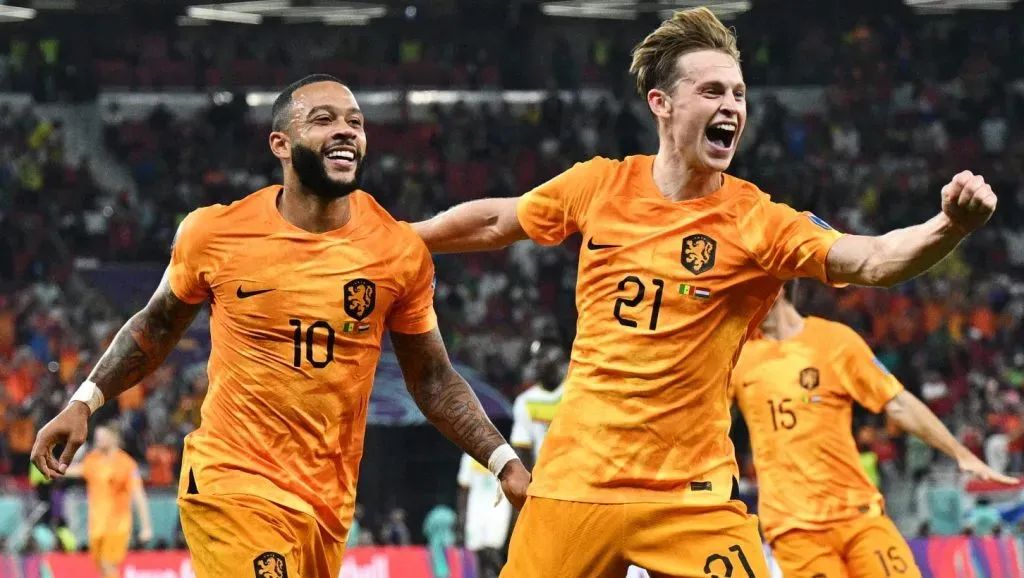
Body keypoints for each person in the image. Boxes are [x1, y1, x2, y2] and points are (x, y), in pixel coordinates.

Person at [412, 7, 999, 576]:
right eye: (714, 91)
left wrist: (949, 226)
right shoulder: (598, 185)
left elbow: (872, 259)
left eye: (739, 94)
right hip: (575, 484)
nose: (732, 107)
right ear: (661, 105)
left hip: (691, 500)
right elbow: (498, 221)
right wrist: (403, 238)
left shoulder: (756, 219)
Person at [30, 74, 530, 578]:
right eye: (323, 120)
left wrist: (503, 460)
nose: (345, 131)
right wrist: (84, 401)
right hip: (232, 479)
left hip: (326, 500)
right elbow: (155, 326)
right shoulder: (215, 233)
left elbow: (433, 380)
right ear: (281, 144)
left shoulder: (396, 253)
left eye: (355, 123)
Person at [731, 286, 1017, 578]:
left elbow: (898, 403)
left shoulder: (834, 341)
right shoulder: (736, 357)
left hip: (858, 515)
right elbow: (698, 417)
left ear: (775, 286)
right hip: (793, 528)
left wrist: (960, 453)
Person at [62, 423, 153, 578]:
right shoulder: (93, 459)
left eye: (102, 437)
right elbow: (77, 470)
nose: (98, 440)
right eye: (97, 437)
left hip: (117, 524)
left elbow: (139, 495)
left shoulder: (126, 464)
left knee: (108, 564)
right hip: (96, 525)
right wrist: (53, 468)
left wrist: (146, 526)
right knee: (101, 567)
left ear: (114, 438)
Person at [509, 336, 565, 471]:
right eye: (533, 358)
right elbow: (522, 447)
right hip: (544, 481)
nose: (534, 364)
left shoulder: (576, 392)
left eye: (541, 357)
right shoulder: (526, 401)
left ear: (557, 359)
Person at [457, 452, 512, 578]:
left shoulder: (506, 455)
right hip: (476, 513)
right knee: (479, 555)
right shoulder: (469, 457)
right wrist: (462, 519)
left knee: (492, 553)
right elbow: (463, 490)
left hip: (498, 513)